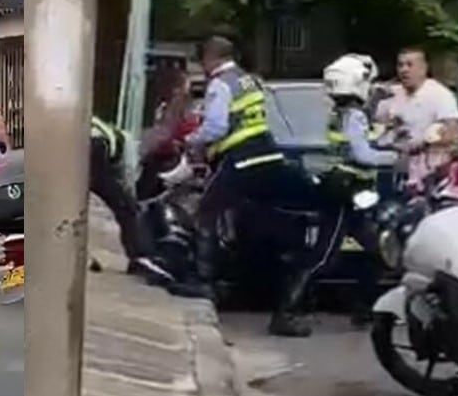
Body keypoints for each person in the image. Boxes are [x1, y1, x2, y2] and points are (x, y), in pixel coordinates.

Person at [180, 36, 331, 337]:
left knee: (205, 214)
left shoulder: (221, 84)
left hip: (239, 159)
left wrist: (189, 139)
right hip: (268, 156)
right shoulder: (251, 81)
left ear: (210, 58)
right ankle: (283, 306)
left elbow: (217, 127)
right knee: (277, 224)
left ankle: (202, 283)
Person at [323, 54, 401, 325]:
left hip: (343, 190)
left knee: (366, 250)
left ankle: (361, 307)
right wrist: (393, 156)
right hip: (350, 192)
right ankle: (362, 307)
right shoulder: (353, 115)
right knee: (370, 250)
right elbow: (362, 155)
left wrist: (383, 133)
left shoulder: (339, 112)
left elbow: (359, 140)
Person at [87, 115, 165, 280]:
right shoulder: (127, 145)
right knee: (126, 208)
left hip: (85, 144)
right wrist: (130, 198)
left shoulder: (102, 128)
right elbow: (127, 177)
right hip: (94, 146)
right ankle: (139, 257)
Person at [389, 47, 458, 192]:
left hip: (431, 180)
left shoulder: (440, 96)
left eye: (410, 65)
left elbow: (455, 137)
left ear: (423, 68)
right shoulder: (394, 95)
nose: (404, 70)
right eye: (400, 65)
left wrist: (424, 142)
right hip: (397, 176)